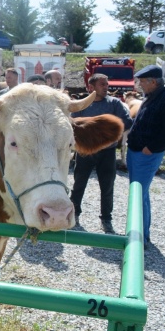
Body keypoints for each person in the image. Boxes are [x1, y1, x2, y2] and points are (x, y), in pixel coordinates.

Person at [70, 74, 133, 234]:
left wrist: (106, 128)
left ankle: (106, 220)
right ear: (91, 87)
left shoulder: (114, 104)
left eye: (106, 84)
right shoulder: (81, 105)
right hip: (85, 152)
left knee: (107, 187)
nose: (106, 87)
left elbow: (127, 122)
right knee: (79, 184)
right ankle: (74, 214)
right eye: (102, 84)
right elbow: (72, 125)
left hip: (107, 152)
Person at [127, 65, 165, 248]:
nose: (140, 85)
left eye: (142, 82)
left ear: (153, 82)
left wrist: (152, 148)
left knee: (138, 195)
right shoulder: (152, 97)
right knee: (141, 194)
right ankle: (141, 233)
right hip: (136, 152)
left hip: (146, 154)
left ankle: (141, 239)